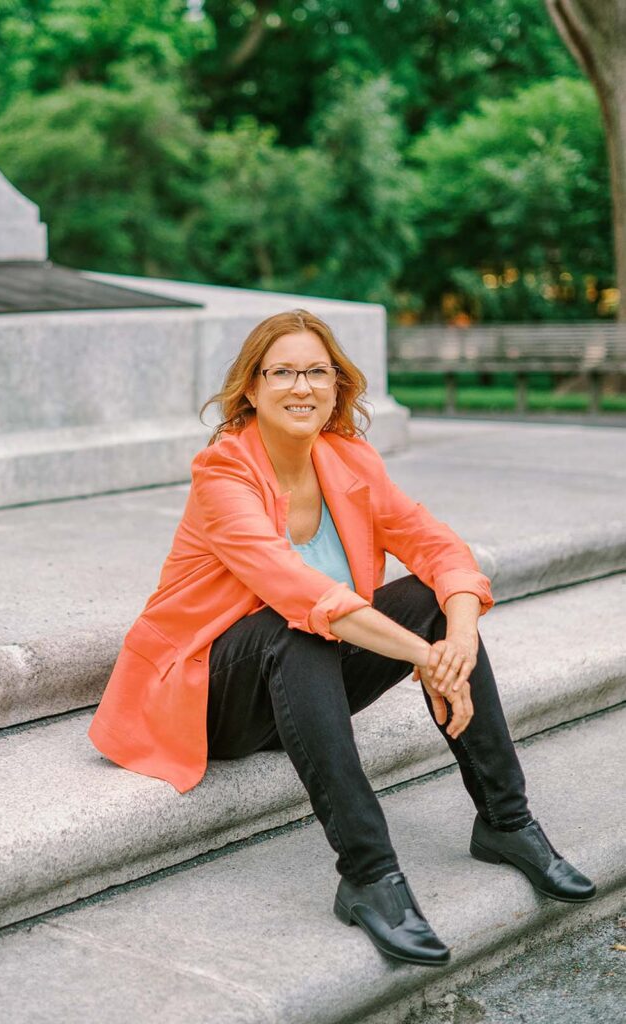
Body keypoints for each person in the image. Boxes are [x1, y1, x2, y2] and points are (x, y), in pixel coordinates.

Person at [88, 308, 596, 966]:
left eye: (317, 372)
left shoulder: (348, 461)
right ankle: (368, 873)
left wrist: (458, 640)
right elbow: (299, 593)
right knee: (292, 625)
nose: (302, 387)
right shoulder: (223, 474)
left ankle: (507, 821)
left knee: (429, 598)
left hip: (299, 687)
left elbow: (440, 549)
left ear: (337, 387)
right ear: (251, 387)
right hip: (209, 694)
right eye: (284, 373)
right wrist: (425, 658)